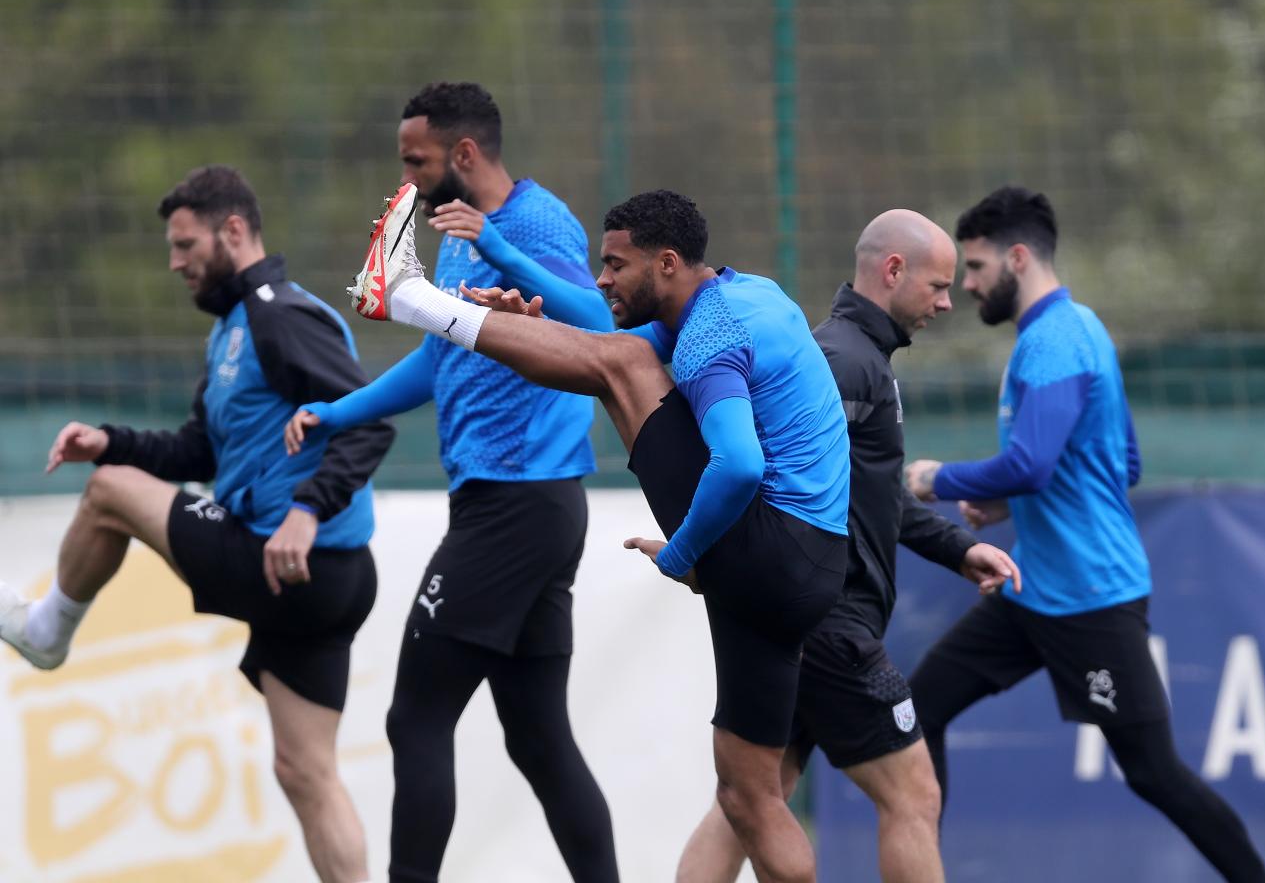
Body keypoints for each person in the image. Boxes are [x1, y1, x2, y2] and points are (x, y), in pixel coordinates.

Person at [304, 185, 851, 883]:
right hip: (812, 568)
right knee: (750, 796)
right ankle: (418, 302)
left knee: (621, 368)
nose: (601, 278)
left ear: (667, 263)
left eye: (616, 264)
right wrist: (522, 327)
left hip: (767, 551)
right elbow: (597, 340)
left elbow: (738, 464)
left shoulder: (711, 336)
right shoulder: (747, 295)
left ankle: (411, 299)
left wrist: (683, 555)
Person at [0, 166, 394, 883]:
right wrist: (110, 440)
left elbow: (367, 423)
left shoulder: (280, 316)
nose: (175, 263)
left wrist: (305, 511)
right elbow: (199, 453)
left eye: (185, 245)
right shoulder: (232, 329)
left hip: (292, 560)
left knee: (109, 494)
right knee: (306, 773)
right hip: (318, 576)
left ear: (232, 231)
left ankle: (46, 631)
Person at [286, 82, 621, 883]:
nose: (406, 177)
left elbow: (598, 326)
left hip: (516, 505)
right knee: (538, 739)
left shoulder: (534, 222)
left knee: (415, 719)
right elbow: (441, 357)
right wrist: (338, 412)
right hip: (524, 508)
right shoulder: (454, 233)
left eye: (417, 160)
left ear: (463, 153)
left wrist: (500, 250)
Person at [904, 186, 1265, 883]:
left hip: (1092, 601)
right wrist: (1009, 501)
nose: (967, 285)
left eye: (976, 267)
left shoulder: (1054, 343)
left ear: (1018, 257)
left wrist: (936, 479)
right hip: (1032, 590)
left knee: (1155, 773)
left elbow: (1033, 463)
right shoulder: (1081, 329)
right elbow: (1120, 460)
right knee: (919, 713)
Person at [676, 209, 1021, 883]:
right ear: (893, 271)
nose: (946, 303)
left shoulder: (860, 360)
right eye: (937, 286)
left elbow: (874, 491)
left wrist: (957, 549)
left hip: (805, 618)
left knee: (751, 801)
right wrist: (704, 548)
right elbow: (758, 465)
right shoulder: (842, 361)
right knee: (913, 795)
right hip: (830, 623)